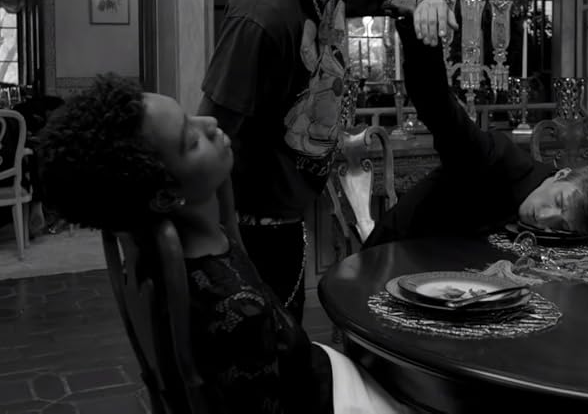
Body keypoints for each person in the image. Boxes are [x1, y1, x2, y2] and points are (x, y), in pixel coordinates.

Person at [37, 74, 410, 414]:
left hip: (315, 370)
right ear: (166, 197)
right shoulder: (236, 312)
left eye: (190, 117)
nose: (210, 124)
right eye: (191, 140)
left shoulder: (168, 251)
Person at [199, 0, 455, 320]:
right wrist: (231, 249)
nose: (376, 10)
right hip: (254, 229)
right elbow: (210, 134)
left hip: (286, 213)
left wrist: (426, 2)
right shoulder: (262, 20)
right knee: (271, 345)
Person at [363, 13, 588, 247]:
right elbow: (440, 111)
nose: (544, 217)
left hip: (451, 266)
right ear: (561, 174)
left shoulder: (551, 222)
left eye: (560, 225)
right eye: (558, 201)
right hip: (397, 251)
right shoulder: (498, 160)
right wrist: (420, 26)